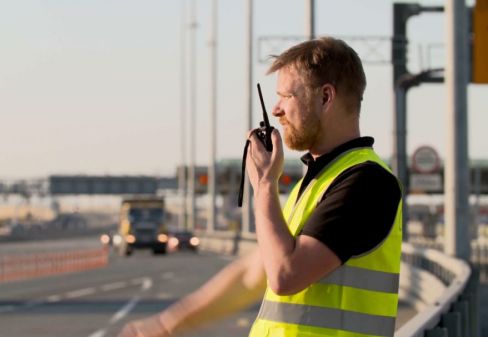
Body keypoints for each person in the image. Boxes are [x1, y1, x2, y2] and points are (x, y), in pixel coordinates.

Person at [119, 36, 402, 337]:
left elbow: (285, 274)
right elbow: (251, 275)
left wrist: (265, 186)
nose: (277, 110)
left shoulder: (366, 183)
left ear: (325, 97)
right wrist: (167, 325)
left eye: (285, 96)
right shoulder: (317, 182)